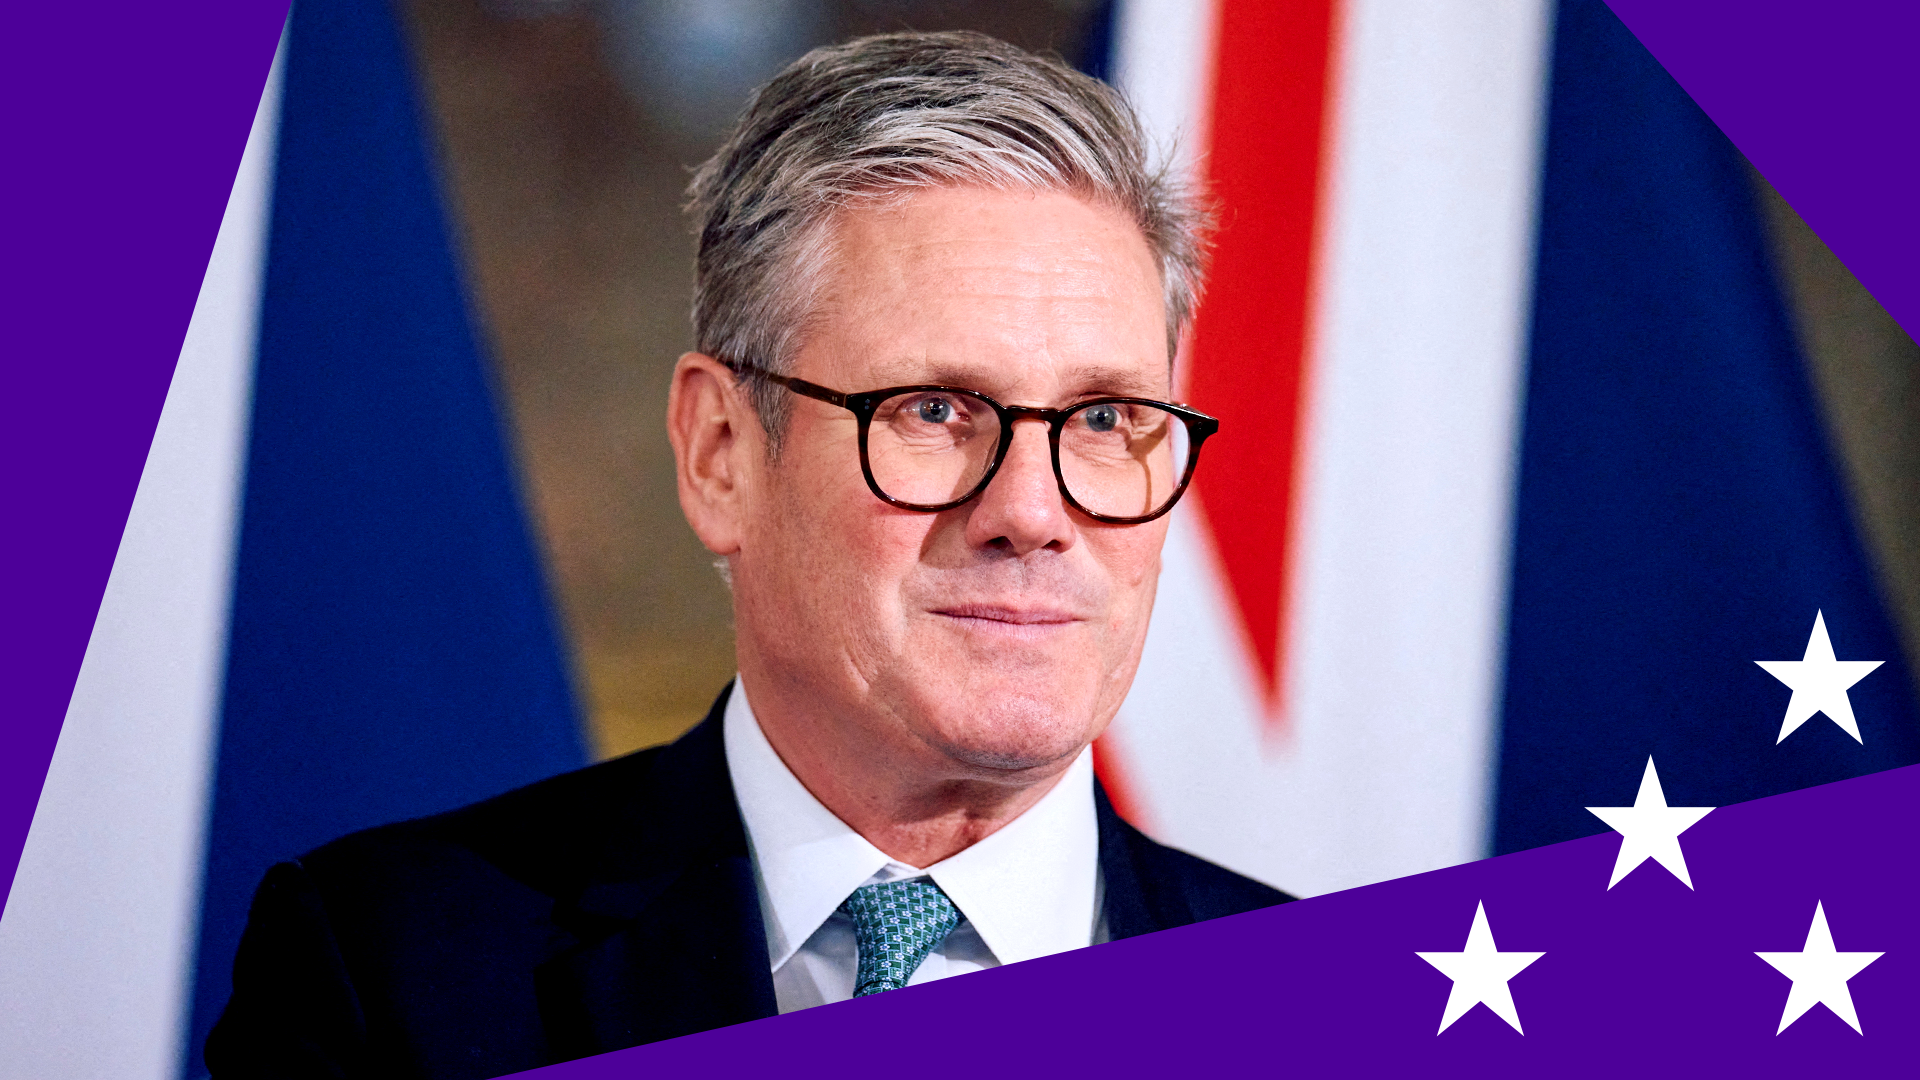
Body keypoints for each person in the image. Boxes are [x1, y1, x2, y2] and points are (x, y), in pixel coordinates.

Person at [206, 30, 1291, 1079]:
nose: (1032, 511)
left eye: (1104, 421)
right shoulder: (389, 978)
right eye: (934, 408)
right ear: (722, 454)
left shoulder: (1333, 1008)